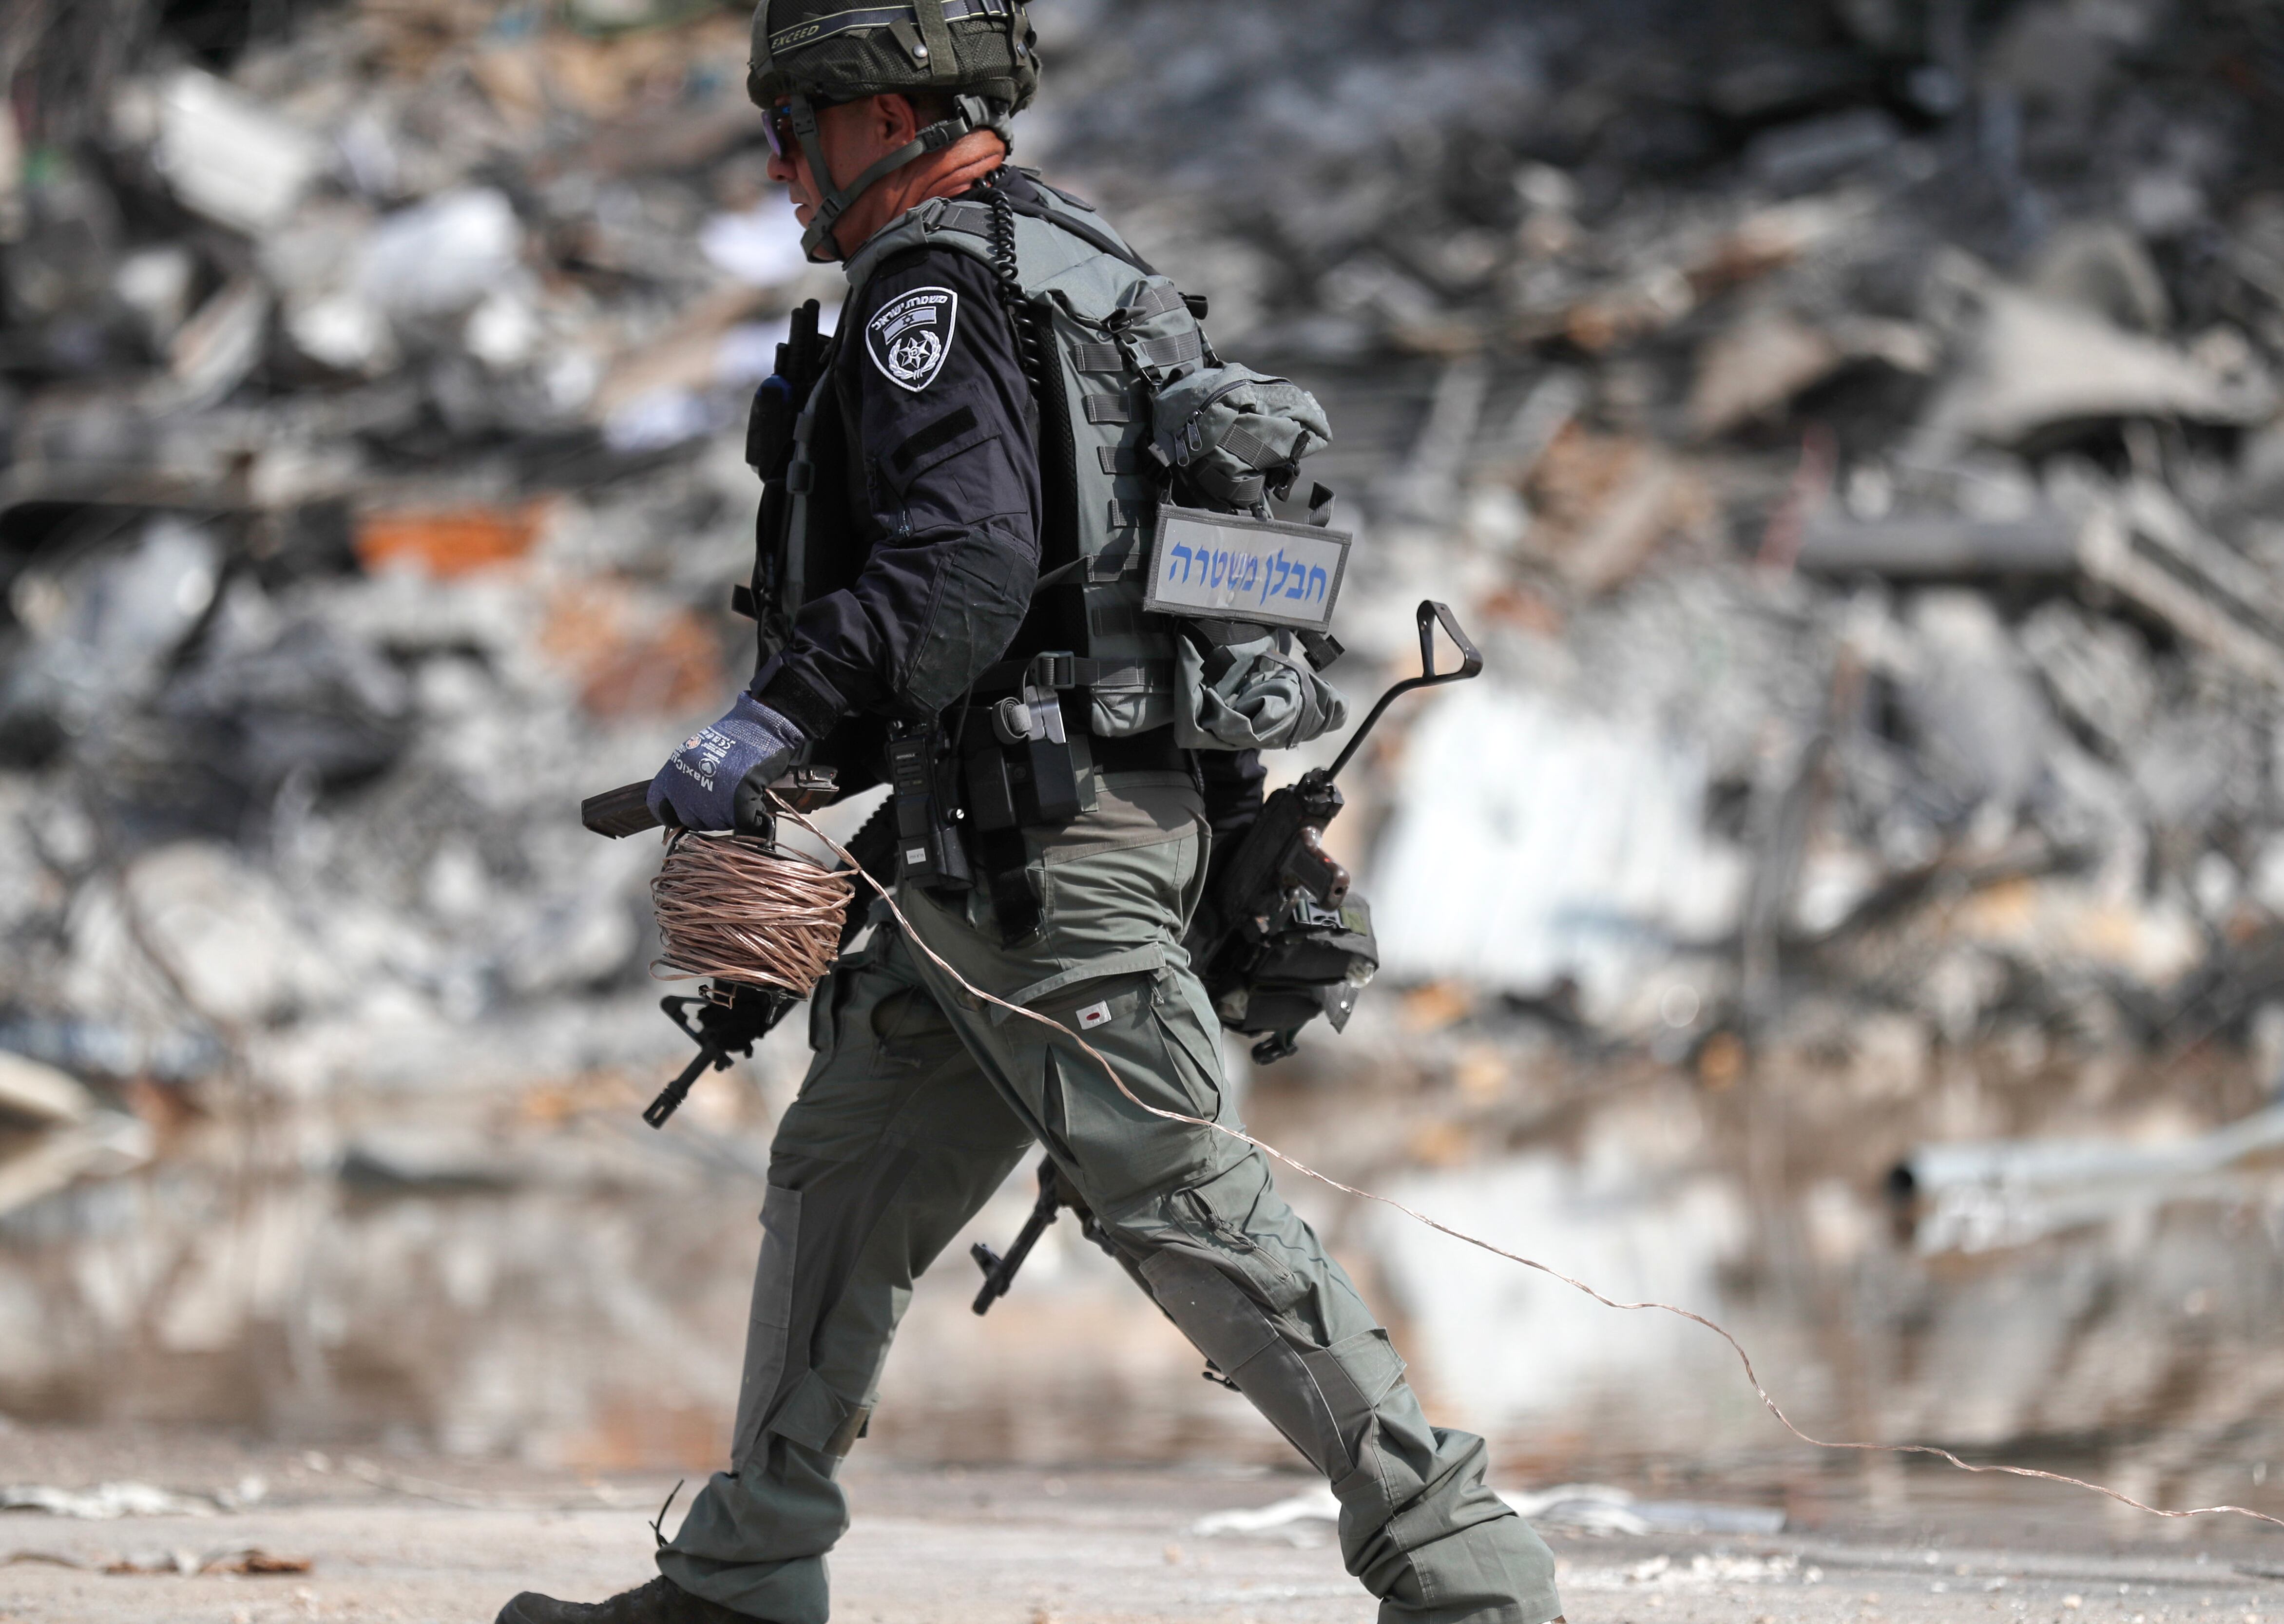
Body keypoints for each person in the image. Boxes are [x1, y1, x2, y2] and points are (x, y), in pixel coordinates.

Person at [497, 5, 1562, 1623]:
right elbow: (1176, 575)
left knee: (1183, 1199)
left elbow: (965, 570)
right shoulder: (1087, 268)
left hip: (1043, 863)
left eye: (798, 126)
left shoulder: (931, 287)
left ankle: (1468, 1576)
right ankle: (742, 1579)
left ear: (890, 113)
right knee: (843, 1173)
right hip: (996, 850)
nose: (780, 167)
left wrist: (770, 722)